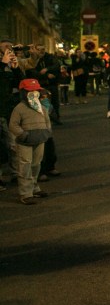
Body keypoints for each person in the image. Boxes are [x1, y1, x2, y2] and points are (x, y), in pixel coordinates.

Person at [8, 78, 51, 205]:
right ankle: (26, 194)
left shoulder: (41, 107)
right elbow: (13, 125)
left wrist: (47, 132)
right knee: (25, 166)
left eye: (36, 90)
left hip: (40, 139)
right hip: (25, 142)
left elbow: (47, 120)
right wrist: (23, 135)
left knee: (36, 165)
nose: (34, 93)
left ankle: (34, 188)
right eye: (30, 91)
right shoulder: (19, 108)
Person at [1, 41, 25, 189]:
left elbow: (21, 83)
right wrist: (3, 65)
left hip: (10, 109)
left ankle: (15, 173)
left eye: (11, 47)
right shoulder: (2, 65)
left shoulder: (10, 65)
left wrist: (16, 69)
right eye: (5, 47)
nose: (9, 49)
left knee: (13, 144)